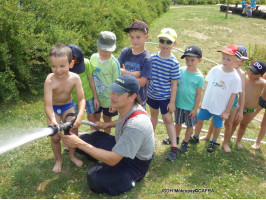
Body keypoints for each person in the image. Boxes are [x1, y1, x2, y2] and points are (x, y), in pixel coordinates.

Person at [61, 74, 155, 196]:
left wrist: (79, 144)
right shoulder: (128, 107)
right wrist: (108, 124)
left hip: (135, 162)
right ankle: (101, 157)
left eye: (119, 94)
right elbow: (125, 120)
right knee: (89, 138)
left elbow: (113, 160)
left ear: (132, 97)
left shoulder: (136, 125)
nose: (113, 97)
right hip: (122, 143)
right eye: (113, 91)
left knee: (95, 178)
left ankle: (129, 179)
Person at [189, 45, 242, 153]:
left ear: (236, 61)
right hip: (207, 104)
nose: (225, 61)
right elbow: (207, 84)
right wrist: (202, 101)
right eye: (223, 58)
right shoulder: (215, 69)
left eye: (228, 59)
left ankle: (213, 142)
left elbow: (233, 96)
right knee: (199, 119)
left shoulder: (235, 77)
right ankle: (196, 136)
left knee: (218, 125)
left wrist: (227, 112)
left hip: (220, 108)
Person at [44, 44, 86, 173]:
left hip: (67, 106)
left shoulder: (75, 78)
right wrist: (52, 120)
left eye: (62, 66)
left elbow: (81, 99)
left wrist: (79, 117)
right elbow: (48, 105)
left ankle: (72, 156)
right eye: (54, 66)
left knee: (73, 131)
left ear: (71, 63)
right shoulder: (49, 81)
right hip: (54, 109)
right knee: (55, 136)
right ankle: (58, 160)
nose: (58, 70)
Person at [201, 45, 250, 152]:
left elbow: (242, 93)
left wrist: (240, 110)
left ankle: (225, 143)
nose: (240, 62)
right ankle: (208, 136)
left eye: (243, 60)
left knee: (228, 123)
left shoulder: (241, 74)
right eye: (240, 59)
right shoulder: (222, 68)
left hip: (232, 102)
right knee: (214, 118)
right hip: (220, 98)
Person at [147, 28, 180, 161]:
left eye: (168, 41)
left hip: (165, 97)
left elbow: (174, 83)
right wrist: (147, 93)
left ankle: (174, 147)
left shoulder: (174, 62)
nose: (165, 44)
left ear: (174, 44)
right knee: (153, 117)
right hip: (152, 95)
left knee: (167, 120)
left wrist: (172, 102)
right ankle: (150, 142)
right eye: (162, 41)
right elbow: (149, 77)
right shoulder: (152, 58)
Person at [169, 45, 205, 154]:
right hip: (179, 105)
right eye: (187, 59)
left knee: (190, 126)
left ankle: (185, 142)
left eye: (192, 60)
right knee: (178, 123)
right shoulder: (180, 70)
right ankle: (175, 138)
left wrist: (195, 109)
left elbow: (199, 94)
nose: (189, 62)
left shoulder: (199, 77)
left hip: (190, 107)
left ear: (200, 60)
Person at [90, 31, 121, 134]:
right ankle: (94, 137)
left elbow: (117, 85)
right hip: (96, 97)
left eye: (107, 50)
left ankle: (105, 137)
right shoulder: (93, 58)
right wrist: (95, 97)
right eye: (101, 49)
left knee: (107, 119)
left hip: (109, 99)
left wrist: (114, 102)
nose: (104, 52)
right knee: (95, 118)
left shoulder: (114, 63)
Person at [231, 61, 266, 148]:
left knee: (243, 125)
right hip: (239, 107)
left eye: (254, 73)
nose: (251, 73)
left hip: (251, 110)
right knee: (234, 123)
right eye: (250, 70)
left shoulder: (261, 82)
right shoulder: (243, 78)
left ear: (261, 75)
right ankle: (228, 137)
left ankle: (238, 141)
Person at [118, 20, 152, 108]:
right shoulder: (125, 52)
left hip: (138, 99)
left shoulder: (146, 59)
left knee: (137, 120)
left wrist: (124, 73)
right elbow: (116, 71)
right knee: (123, 120)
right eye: (132, 37)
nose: (134, 40)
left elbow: (141, 83)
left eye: (138, 37)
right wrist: (134, 74)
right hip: (123, 95)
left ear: (146, 37)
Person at [67, 44, 99, 130]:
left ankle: (95, 136)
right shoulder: (63, 67)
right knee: (73, 121)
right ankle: (75, 140)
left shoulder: (86, 63)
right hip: (73, 100)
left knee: (91, 117)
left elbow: (91, 80)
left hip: (88, 96)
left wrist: (95, 97)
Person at [251, 85, 266, 149]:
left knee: (264, 124)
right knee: (249, 116)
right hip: (262, 99)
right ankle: (230, 135)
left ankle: (257, 142)